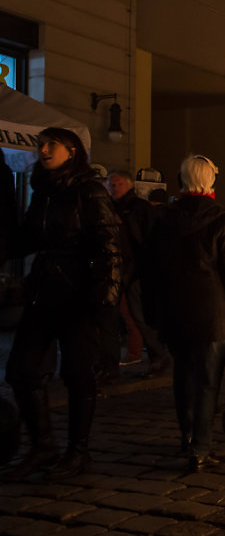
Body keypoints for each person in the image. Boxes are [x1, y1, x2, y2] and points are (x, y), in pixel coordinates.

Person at [2, 128, 122, 480]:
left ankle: (77, 452)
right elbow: (26, 238)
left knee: (78, 374)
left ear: (72, 151)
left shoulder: (89, 191)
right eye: (41, 143)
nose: (43, 149)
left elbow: (110, 247)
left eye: (51, 143)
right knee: (22, 371)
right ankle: (43, 447)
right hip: (43, 291)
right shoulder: (43, 190)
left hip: (79, 293)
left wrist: (105, 300)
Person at [144, 155, 225, 470]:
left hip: (176, 313)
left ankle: (187, 436)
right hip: (214, 316)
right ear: (210, 182)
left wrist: (152, 312)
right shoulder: (222, 221)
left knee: (183, 377)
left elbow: (150, 270)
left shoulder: (164, 219)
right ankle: (201, 447)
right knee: (208, 383)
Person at [107, 170, 170, 376]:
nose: (114, 188)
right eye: (111, 184)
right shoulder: (110, 207)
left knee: (138, 314)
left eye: (118, 184)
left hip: (135, 269)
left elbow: (149, 239)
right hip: (116, 269)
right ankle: (109, 363)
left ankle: (158, 355)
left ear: (129, 185)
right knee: (111, 316)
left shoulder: (139, 207)